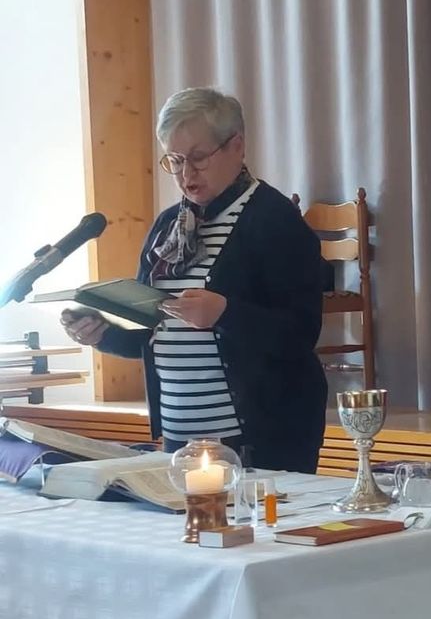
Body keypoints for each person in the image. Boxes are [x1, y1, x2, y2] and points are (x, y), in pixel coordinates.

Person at [61, 87, 327, 472]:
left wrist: (225, 313)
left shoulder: (274, 220)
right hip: (182, 431)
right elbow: (154, 335)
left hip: (261, 434)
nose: (186, 175)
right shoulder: (168, 227)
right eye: (175, 160)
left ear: (237, 146)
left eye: (198, 159)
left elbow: (301, 334)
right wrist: (102, 333)